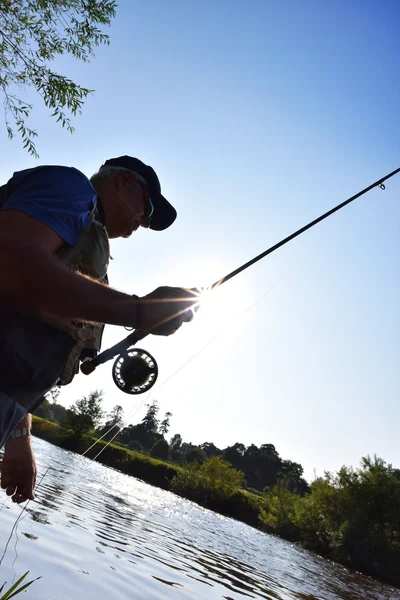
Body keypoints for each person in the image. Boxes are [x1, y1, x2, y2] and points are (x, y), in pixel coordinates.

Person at [0, 155, 198, 504]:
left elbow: (21, 344)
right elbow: (11, 261)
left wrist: (19, 432)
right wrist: (139, 311)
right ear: (123, 181)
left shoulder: (82, 256)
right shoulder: (72, 189)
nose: (146, 222)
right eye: (148, 205)